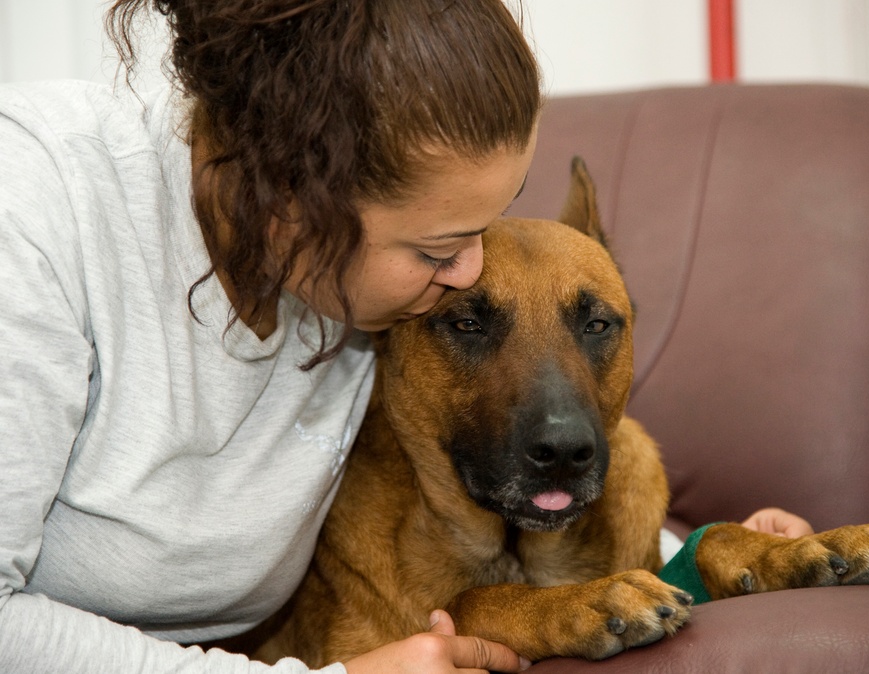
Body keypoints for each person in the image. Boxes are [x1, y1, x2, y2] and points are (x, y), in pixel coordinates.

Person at [0, 1, 814, 672]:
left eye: (482, 231)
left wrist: (698, 557)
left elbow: (471, 441)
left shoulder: (373, 301)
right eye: (435, 250)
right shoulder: (34, 205)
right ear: (290, 203)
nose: (469, 273)